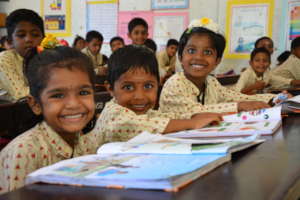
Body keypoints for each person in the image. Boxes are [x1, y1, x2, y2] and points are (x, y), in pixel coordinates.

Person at [0, 45, 102, 194]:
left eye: (83, 92)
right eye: (58, 95)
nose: (74, 104)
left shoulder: (89, 143)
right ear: (35, 104)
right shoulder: (24, 152)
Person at [94, 45, 222, 142]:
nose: (140, 96)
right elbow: (137, 125)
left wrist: (195, 116)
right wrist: (192, 123)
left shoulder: (144, 112)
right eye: (128, 87)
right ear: (110, 89)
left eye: (148, 86)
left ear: (158, 85)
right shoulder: (114, 113)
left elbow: (163, 117)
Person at [159, 18, 276, 116]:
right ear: (180, 56)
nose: (199, 57)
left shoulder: (211, 82)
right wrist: (239, 107)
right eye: (191, 50)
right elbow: (194, 111)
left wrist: (272, 98)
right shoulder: (174, 84)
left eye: (208, 52)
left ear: (217, 61)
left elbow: (236, 97)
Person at [0, 9, 44, 101]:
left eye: (35, 35)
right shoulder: (5, 58)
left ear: (42, 38)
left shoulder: (43, 58)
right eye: (21, 35)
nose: (29, 39)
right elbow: (20, 94)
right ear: (10, 41)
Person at [234, 48, 300, 94]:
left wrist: (292, 81)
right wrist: (253, 87)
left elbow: (280, 80)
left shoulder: (267, 73)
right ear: (251, 63)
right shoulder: (246, 74)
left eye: (265, 61)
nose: (261, 64)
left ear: (269, 63)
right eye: (257, 60)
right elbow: (237, 92)